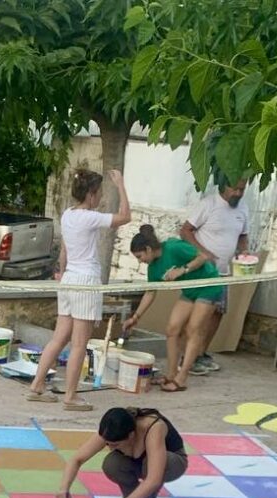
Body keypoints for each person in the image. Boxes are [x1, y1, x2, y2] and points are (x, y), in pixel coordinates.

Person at [28, 168, 131, 412]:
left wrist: (62, 274)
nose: (100, 198)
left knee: (59, 337)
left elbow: (64, 250)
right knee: (78, 344)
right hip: (85, 281)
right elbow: (125, 216)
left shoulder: (68, 215)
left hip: (70, 280)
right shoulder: (89, 217)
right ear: (91, 195)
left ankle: (37, 386)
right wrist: (121, 185)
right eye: (99, 194)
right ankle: (71, 397)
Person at [123, 225, 222, 392]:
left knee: (193, 328)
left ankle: (182, 377)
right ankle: (170, 374)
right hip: (190, 291)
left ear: (148, 249)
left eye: (140, 256)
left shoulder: (173, 247)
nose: (140, 261)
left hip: (208, 284)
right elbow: (150, 292)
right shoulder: (153, 269)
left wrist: (183, 270)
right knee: (172, 329)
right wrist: (135, 317)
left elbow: (203, 257)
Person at [57, 406, 188, 498]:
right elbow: (76, 459)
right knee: (112, 464)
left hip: (172, 461)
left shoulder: (153, 427)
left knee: (150, 466)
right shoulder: (110, 429)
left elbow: (154, 479)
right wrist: (64, 488)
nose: (110, 448)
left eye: (115, 444)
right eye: (108, 444)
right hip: (137, 460)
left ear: (131, 435)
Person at [179, 176, 249, 375]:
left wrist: (244, 252)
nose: (238, 193)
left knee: (217, 313)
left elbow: (243, 235)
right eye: (234, 188)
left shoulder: (243, 208)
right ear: (223, 185)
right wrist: (203, 253)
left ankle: (200, 353)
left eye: (242, 189)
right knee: (199, 315)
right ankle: (188, 357)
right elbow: (185, 231)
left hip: (224, 272)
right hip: (203, 272)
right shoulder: (208, 204)